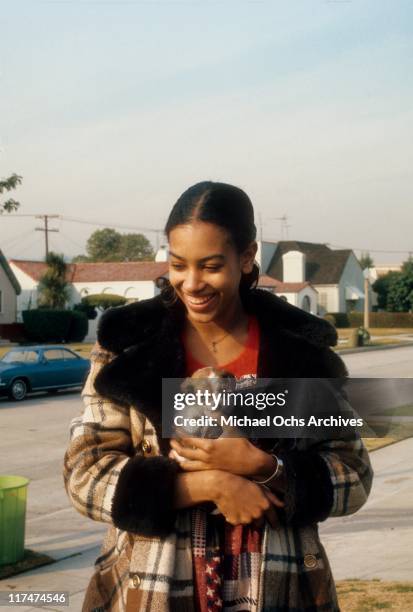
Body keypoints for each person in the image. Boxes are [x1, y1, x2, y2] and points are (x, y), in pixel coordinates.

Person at [63, 181, 373, 612]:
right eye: (178, 265)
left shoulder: (298, 353)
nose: (192, 283)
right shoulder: (128, 346)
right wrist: (207, 483)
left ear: (247, 258)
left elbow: (353, 473)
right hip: (152, 587)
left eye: (210, 266)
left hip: (280, 589)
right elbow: (85, 474)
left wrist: (264, 467)